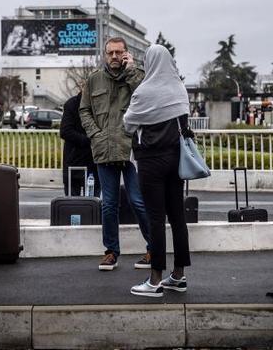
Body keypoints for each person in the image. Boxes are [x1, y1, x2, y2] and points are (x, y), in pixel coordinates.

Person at [123, 44, 193, 297]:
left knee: (155, 219)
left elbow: (128, 124)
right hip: (177, 159)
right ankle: (179, 275)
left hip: (151, 161)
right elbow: (184, 122)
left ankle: (154, 281)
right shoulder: (179, 88)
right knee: (177, 218)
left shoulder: (144, 91)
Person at [80, 37, 152, 271]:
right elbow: (85, 110)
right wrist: (95, 135)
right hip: (104, 149)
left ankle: (153, 248)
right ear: (104, 54)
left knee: (138, 201)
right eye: (110, 52)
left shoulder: (138, 75)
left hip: (132, 151)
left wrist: (131, 71)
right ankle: (111, 251)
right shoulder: (94, 79)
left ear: (126, 54)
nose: (114, 57)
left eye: (118, 52)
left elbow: (146, 98)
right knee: (109, 204)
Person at [60, 86, 101, 197]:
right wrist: (90, 140)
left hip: (92, 161)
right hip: (74, 161)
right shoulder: (72, 104)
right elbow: (65, 131)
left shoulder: (98, 104)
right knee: (74, 203)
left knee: (92, 203)